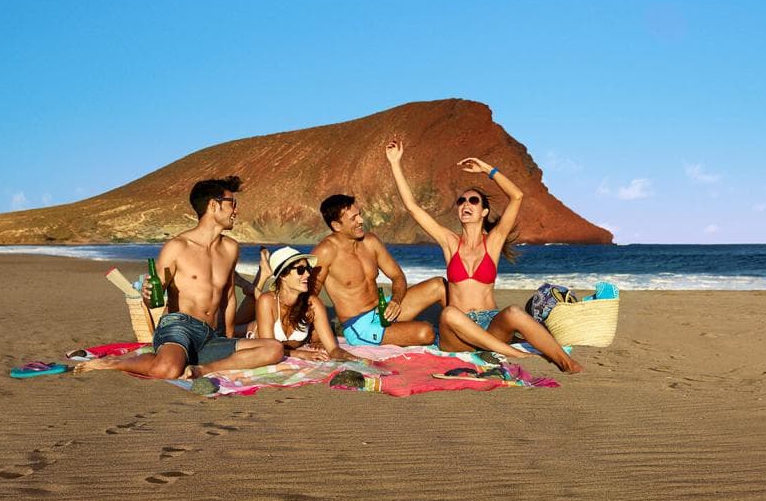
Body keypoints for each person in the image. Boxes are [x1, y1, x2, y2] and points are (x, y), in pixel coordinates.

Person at [385, 139, 583, 373]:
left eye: (473, 201)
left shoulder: (494, 242)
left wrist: (487, 169)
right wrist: (395, 163)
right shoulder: (449, 242)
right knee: (448, 313)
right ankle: (511, 352)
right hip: (457, 334)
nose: (465, 204)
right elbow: (412, 207)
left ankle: (564, 361)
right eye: (461, 201)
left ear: (484, 212)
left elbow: (517, 196)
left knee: (513, 312)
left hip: (490, 325)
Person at [74, 177, 283, 382]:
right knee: (168, 369)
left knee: (273, 349)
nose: (236, 211)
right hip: (179, 327)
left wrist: (227, 338)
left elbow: (228, 296)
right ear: (213, 205)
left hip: (211, 334)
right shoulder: (177, 247)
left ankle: (202, 368)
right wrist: (147, 293)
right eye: (232, 204)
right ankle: (114, 363)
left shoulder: (230, 248)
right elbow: (155, 294)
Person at [309, 193, 443, 348]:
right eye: (354, 218)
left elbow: (397, 275)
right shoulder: (325, 252)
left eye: (359, 215)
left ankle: (466, 334)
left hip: (383, 309)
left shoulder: (370, 242)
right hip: (360, 325)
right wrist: (317, 336)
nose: (361, 220)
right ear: (337, 226)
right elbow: (309, 296)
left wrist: (395, 300)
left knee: (438, 285)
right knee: (425, 332)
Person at [248, 246, 358, 362]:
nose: (308, 275)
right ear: (283, 275)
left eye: (308, 269)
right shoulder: (267, 301)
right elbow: (269, 348)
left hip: (284, 340)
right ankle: (260, 276)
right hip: (254, 333)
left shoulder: (313, 303)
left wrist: (351, 357)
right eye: (300, 270)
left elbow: (333, 349)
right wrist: (301, 354)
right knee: (236, 328)